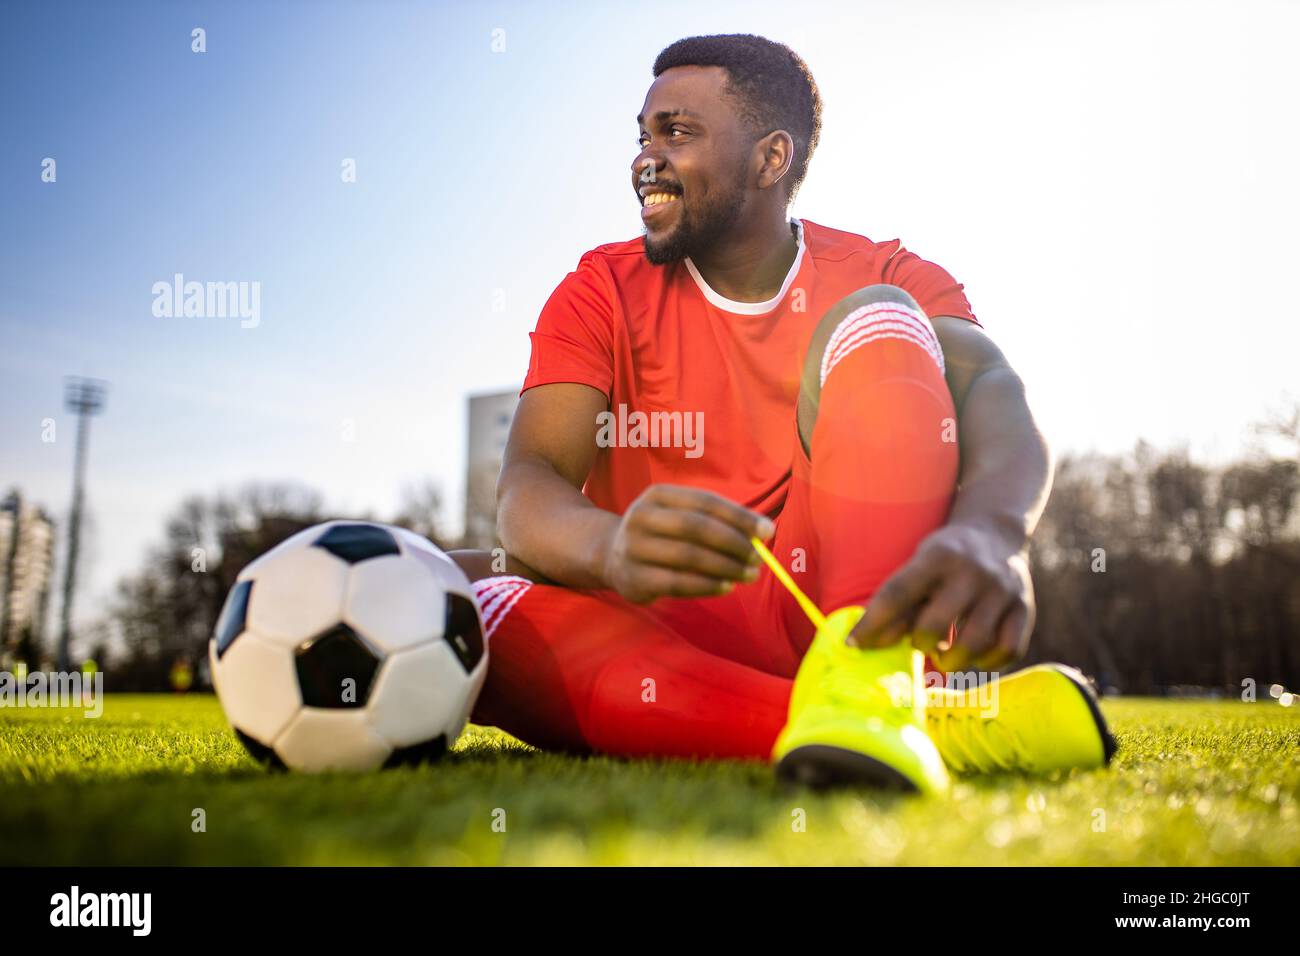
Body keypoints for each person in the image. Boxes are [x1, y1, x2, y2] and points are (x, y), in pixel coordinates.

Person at [449, 34, 1114, 794]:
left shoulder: (885, 268)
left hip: (849, 602)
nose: (646, 159)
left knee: (883, 319)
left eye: (678, 132)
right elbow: (529, 480)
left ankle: (865, 678)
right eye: (643, 135)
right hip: (650, 629)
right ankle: (913, 726)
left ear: (770, 159)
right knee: (449, 594)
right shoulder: (598, 287)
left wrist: (994, 534)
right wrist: (608, 547)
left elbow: (996, 388)